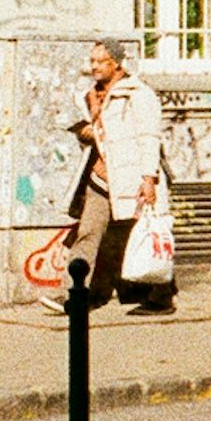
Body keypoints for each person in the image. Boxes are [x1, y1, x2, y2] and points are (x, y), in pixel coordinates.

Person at [52, 38, 174, 316]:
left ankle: (162, 296)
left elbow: (148, 137)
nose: (93, 67)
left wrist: (149, 178)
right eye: (91, 61)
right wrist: (83, 131)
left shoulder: (137, 94)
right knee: (87, 234)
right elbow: (82, 126)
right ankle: (74, 295)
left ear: (116, 64)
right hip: (101, 176)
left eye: (100, 62)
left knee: (146, 233)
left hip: (132, 177)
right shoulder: (91, 95)